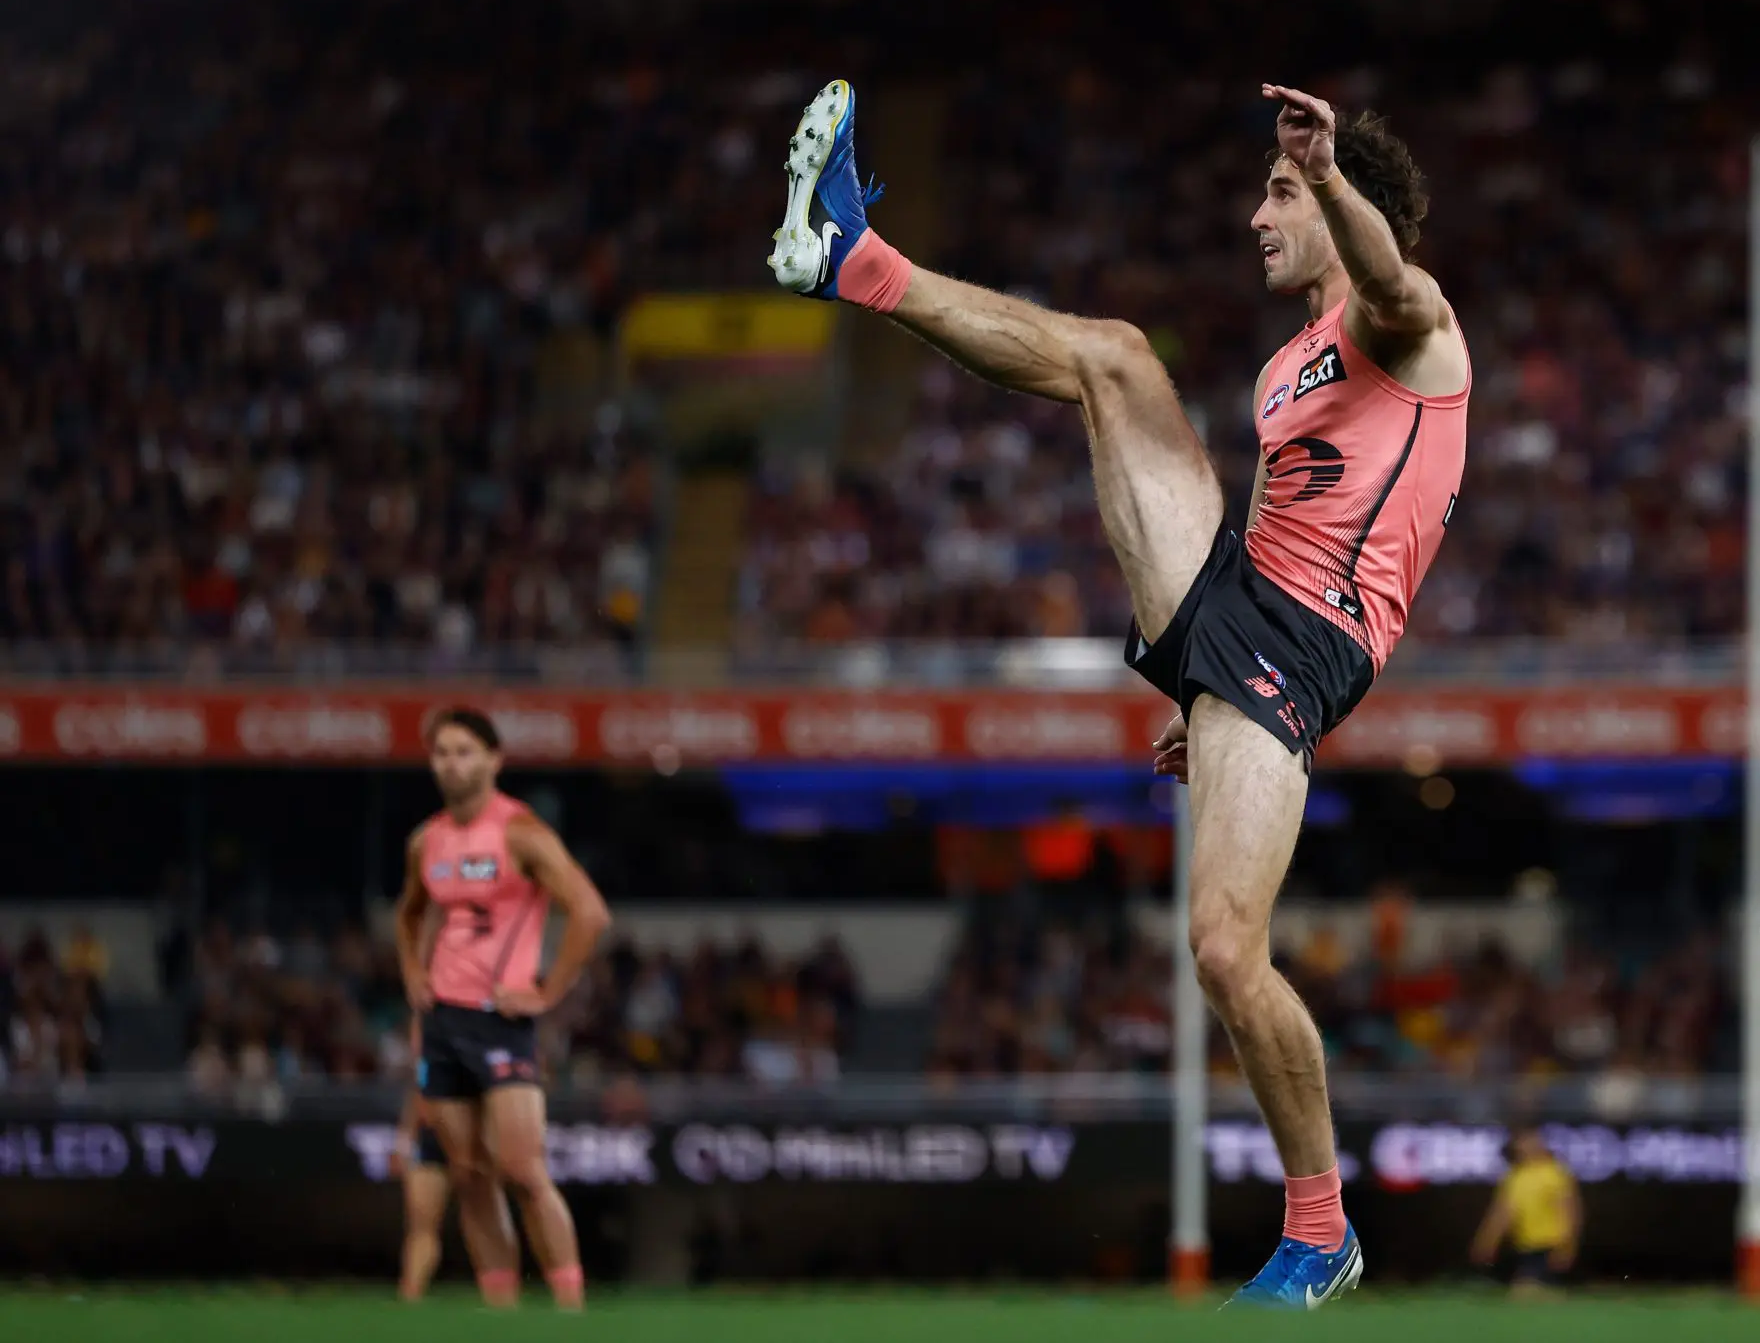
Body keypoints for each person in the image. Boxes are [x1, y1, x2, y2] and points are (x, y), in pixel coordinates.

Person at [766, 78, 1469, 1306]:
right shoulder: (1289, 364)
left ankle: (1322, 1231)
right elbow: (1264, 531)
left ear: (1347, 206)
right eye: (1268, 188)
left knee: (1222, 950)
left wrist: (1336, 174)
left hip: (1307, 645)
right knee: (1114, 359)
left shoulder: (1414, 328)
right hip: (1243, 616)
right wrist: (1201, 693)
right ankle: (850, 259)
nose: (1257, 214)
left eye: (1282, 192)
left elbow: (1396, 283)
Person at [393, 707, 612, 1311]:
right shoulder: (426, 840)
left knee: (522, 1169)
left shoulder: (522, 833)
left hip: (500, 1020)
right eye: (442, 752)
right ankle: (502, 1312)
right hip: (442, 1021)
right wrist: (414, 972)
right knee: (468, 1174)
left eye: (465, 751)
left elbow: (589, 912)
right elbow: (408, 913)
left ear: (494, 760)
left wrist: (547, 991)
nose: (452, 763)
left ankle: (570, 1307)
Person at [1469, 1127, 1581, 1298]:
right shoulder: (1515, 1177)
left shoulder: (1555, 1173)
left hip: (1550, 1244)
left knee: (1525, 1292)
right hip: (1526, 1246)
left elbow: (1569, 1212)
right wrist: (1487, 1241)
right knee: (1528, 1292)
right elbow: (1502, 1213)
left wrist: (1567, 1245)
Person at [391, 1070, 452, 1302]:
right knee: (421, 1223)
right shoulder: (432, 1049)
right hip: (433, 1139)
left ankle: (500, 1296)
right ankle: (410, 1294)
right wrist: (404, 1139)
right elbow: (419, 1090)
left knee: (484, 1215)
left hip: (475, 1138)